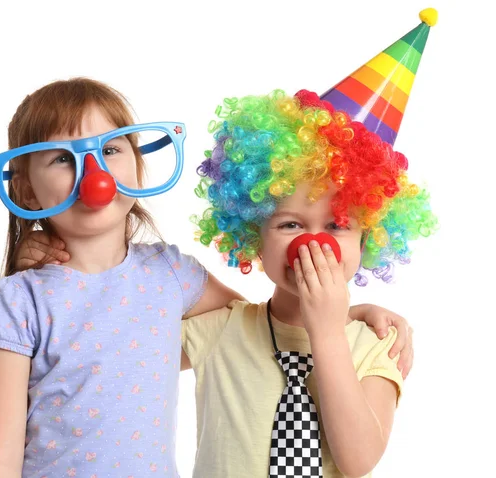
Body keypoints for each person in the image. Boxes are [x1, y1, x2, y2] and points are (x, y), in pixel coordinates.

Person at [0, 78, 415, 477]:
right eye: (61, 159)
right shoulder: (17, 299)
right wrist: (29, 268)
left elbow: (259, 319)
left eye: (109, 149)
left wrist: (340, 316)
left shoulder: (171, 275)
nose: (95, 174)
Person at [182, 10, 438, 477]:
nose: (313, 244)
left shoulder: (374, 345)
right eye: (289, 225)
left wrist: (329, 331)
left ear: (369, 239)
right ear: (251, 237)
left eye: (338, 224)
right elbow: (122, 336)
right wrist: (50, 257)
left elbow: (359, 460)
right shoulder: (221, 330)